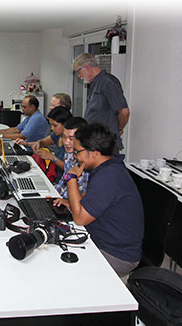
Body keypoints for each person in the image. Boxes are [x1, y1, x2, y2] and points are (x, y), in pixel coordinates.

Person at [60, 122, 143, 278]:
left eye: (78, 152)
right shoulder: (107, 166)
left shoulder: (109, 176)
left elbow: (80, 219)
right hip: (103, 240)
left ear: (94, 153)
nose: (75, 157)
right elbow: (89, 200)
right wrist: (71, 203)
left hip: (117, 254)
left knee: (62, 266)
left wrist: (71, 178)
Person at [73, 53, 130, 153]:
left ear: (86, 67)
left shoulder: (108, 82)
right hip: (94, 141)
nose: (79, 76)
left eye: (78, 71)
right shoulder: (95, 83)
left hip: (105, 143)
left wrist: (119, 128)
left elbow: (124, 111)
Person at [53, 117, 91, 198]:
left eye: (71, 138)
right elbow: (64, 181)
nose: (66, 142)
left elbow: (81, 194)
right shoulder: (68, 154)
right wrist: (52, 195)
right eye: (64, 137)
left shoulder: (87, 160)